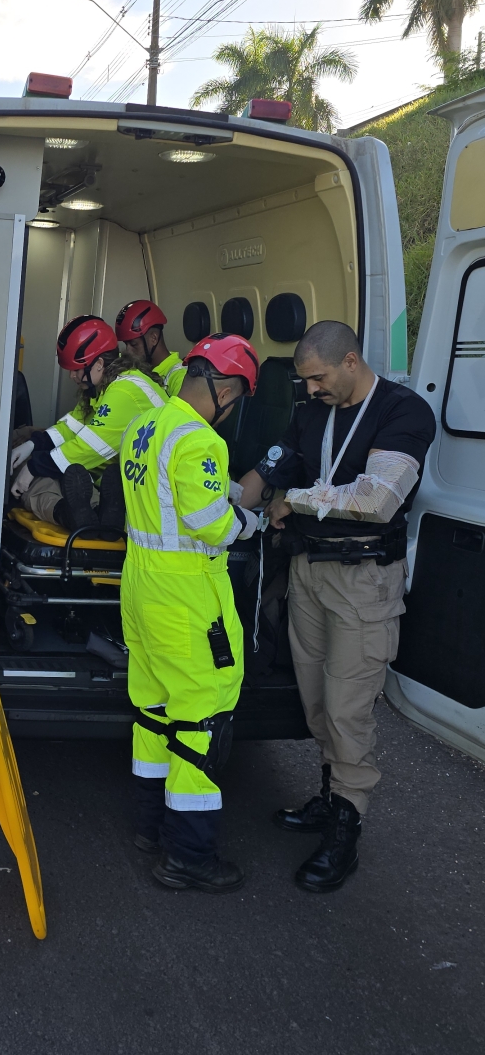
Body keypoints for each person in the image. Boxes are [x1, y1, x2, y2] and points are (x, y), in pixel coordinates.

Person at [236, 320, 436, 892]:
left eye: (318, 378)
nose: (311, 390)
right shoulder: (311, 412)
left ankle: (346, 828)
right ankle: (331, 797)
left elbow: (375, 498)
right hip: (309, 572)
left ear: (350, 361)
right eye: (305, 381)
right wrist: (223, 509)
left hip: (362, 581)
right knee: (317, 700)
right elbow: (274, 469)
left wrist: (289, 501)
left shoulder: (402, 412)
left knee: (349, 707)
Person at [120, 333, 260, 893]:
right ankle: (189, 856)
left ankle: (148, 828)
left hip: (142, 590)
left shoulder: (147, 425)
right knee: (202, 717)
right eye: (238, 397)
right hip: (186, 599)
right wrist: (248, 522)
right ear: (225, 388)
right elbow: (211, 523)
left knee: (153, 711)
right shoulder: (201, 441)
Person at [10, 315, 166, 532]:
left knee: (41, 479)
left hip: (146, 490)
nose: (72, 376)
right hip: (132, 480)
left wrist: (32, 467)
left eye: (76, 369)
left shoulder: (124, 392)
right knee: (32, 442)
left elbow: (85, 449)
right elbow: (71, 427)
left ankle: (76, 513)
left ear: (99, 364)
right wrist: (33, 445)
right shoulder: (109, 384)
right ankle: (94, 509)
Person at [115, 299, 187, 397]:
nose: (128, 351)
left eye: (133, 344)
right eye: (126, 344)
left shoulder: (179, 377)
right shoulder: (135, 363)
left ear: (153, 338)